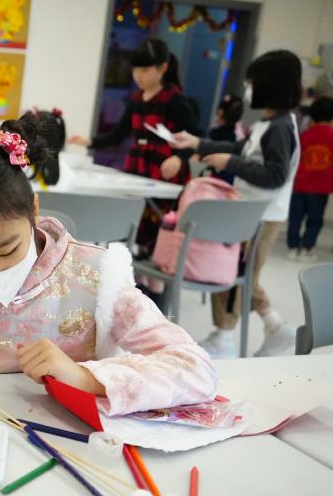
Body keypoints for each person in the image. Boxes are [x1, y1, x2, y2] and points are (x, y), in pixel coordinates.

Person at [0, 114, 217, 416]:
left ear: (33, 211)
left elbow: (196, 370)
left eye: (8, 251)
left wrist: (85, 377)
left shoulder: (97, 277)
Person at [171, 50, 303, 358]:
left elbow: (275, 175)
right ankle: (272, 325)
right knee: (236, 272)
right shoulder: (267, 124)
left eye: (251, 83)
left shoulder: (281, 128)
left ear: (270, 85)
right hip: (248, 211)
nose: (247, 89)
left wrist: (231, 163)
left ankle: (225, 336)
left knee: (235, 274)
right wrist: (198, 143)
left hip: (262, 215)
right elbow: (238, 148)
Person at [68, 38, 202, 254]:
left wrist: (180, 157)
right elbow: (118, 134)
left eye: (145, 70)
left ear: (162, 68)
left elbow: (197, 137)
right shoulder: (136, 99)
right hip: (138, 167)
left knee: (158, 228)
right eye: (135, 70)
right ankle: (132, 263)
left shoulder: (174, 100)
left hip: (165, 170)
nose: (138, 76)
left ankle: (154, 266)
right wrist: (90, 141)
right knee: (134, 222)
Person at [286, 96, 333, 261]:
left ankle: (293, 247)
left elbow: (294, 158)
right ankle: (306, 247)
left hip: (299, 185)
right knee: (315, 219)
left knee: (295, 218)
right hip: (320, 188)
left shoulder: (304, 135)